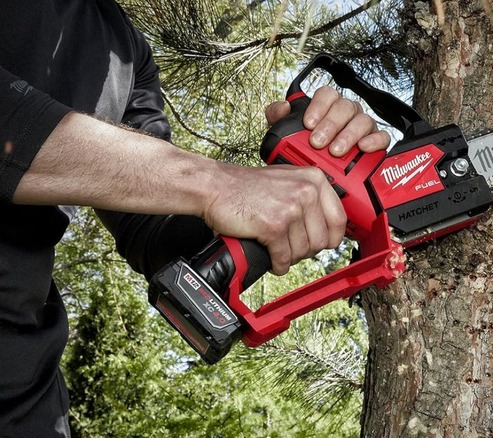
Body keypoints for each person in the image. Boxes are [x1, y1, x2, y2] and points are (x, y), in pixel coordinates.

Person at [0, 1, 390, 436]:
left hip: (26, 387)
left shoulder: (123, 48)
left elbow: (151, 229)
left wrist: (303, 186)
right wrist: (214, 183)